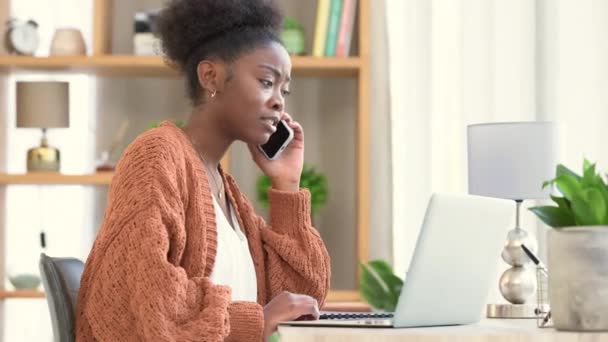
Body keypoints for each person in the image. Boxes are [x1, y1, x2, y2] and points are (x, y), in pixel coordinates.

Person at [75, 0, 331, 340]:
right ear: (211, 76)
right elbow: (147, 297)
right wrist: (252, 321)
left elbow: (302, 298)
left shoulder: (227, 193)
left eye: (283, 90)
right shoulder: (156, 156)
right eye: (266, 82)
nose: (279, 102)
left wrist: (287, 186)